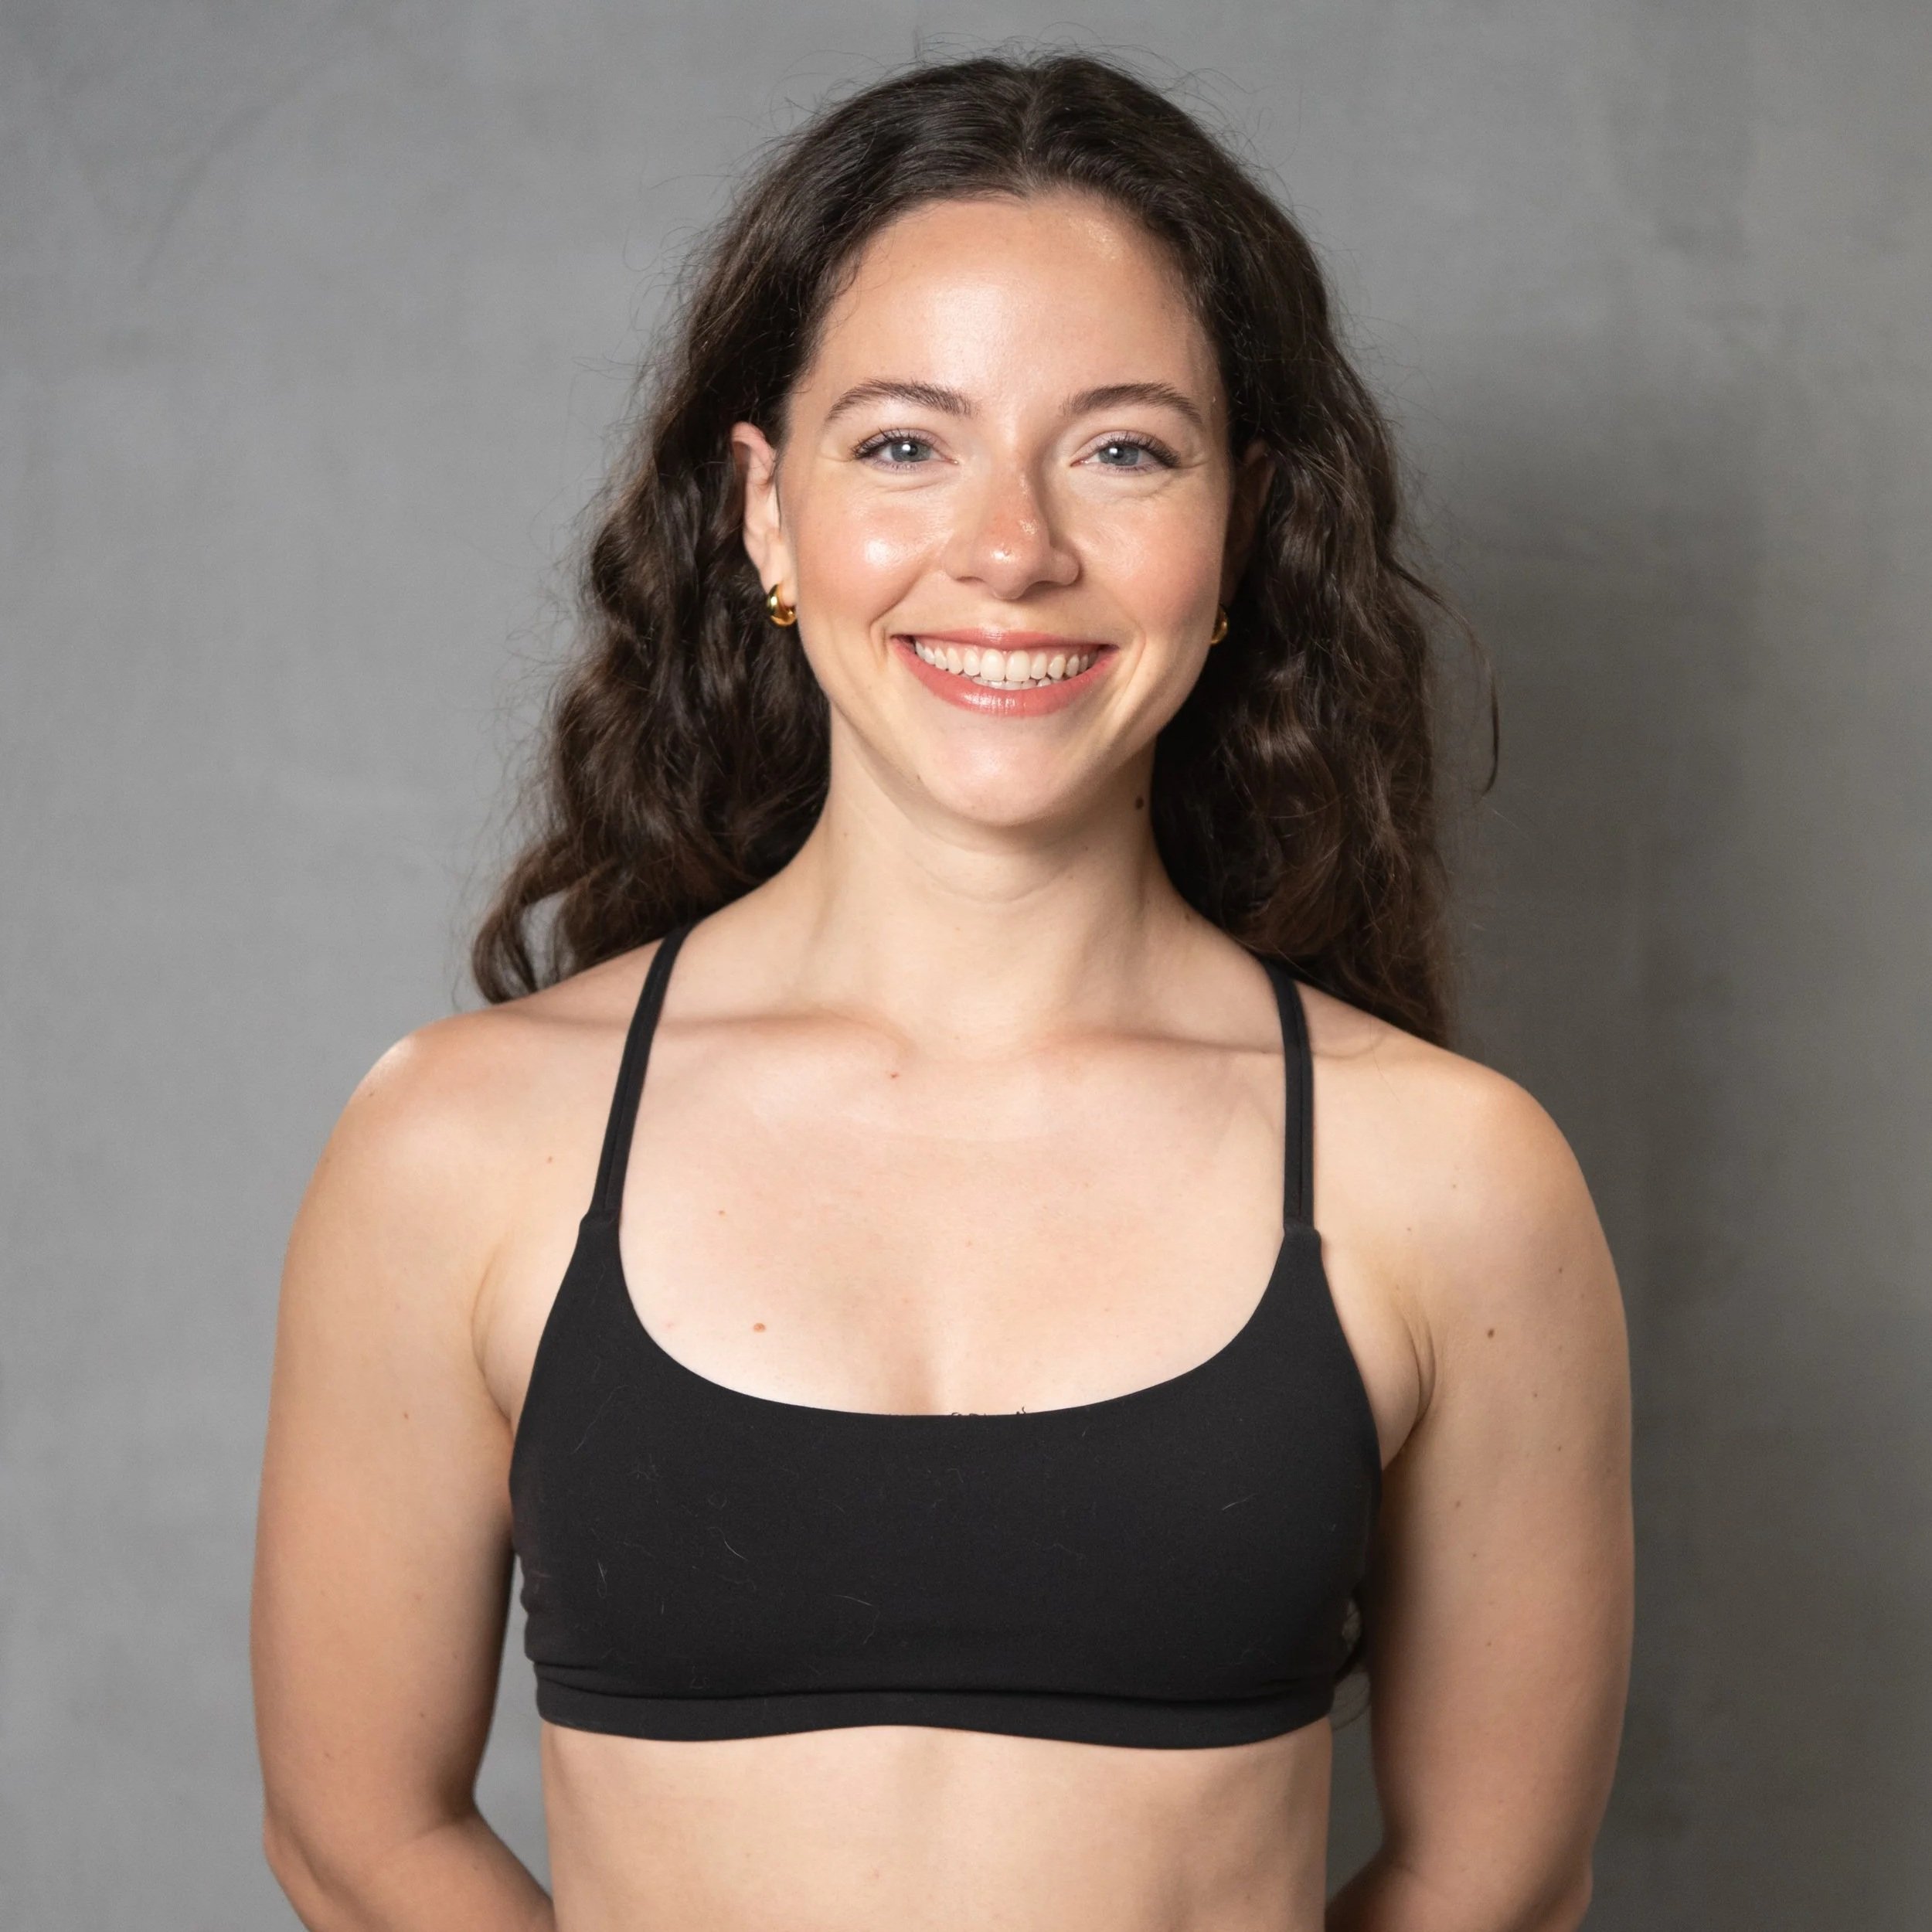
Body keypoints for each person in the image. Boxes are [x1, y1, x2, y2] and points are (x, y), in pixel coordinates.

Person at [251, 50, 1632, 1932]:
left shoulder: (1456, 1180)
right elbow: (354, 1827)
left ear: (1239, 528)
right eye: (905, 443)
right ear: (764, 515)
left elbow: (1497, 1877)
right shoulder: (459, 1137)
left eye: (1123, 448)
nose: (1009, 549)